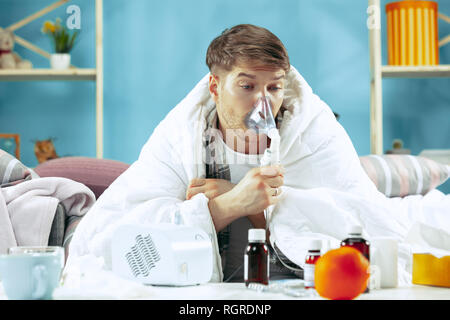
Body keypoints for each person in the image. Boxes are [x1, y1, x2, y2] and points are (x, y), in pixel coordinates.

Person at [66, 24, 450, 284]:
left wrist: (255, 207)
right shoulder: (181, 135)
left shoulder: (311, 129)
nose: (262, 103)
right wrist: (224, 206)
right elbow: (109, 238)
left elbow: (356, 222)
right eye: (247, 86)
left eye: (273, 88)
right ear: (215, 87)